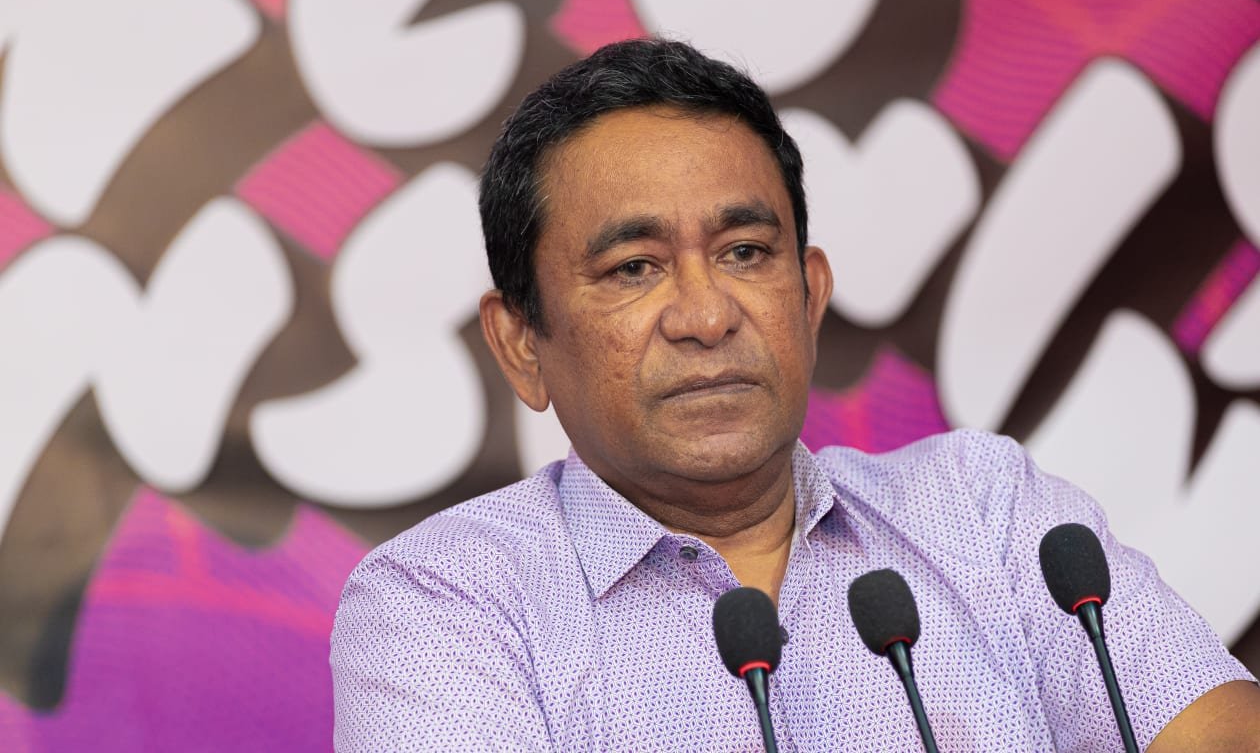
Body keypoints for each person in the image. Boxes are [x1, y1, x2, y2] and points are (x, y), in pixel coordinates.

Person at [330, 39, 1260, 751]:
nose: (706, 315)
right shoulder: (445, 605)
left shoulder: (985, 512)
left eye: (745, 253)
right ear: (521, 344)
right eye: (634, 267)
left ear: (810, 298)